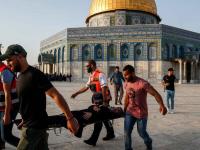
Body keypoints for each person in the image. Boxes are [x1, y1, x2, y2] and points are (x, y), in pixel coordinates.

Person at [0, 44, 79, 150]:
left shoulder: (35, 75)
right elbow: (28, 101)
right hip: (34, 126)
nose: (8, 63)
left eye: (10, 60)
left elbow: (55, 95)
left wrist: (70, 118)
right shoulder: (19, 76)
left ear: (19, 56)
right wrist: (24, 119)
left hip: (33, 130)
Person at [71, 59, 115, 146]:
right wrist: (76, 93)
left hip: (102, 100)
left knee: (97, 119)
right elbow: (86, 87)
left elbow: (104, 87)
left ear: (92, 65)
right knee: (104, 117)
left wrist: (105, 101)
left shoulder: (100, 74)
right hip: (96, 100)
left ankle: (93, 140)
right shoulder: (91, 76)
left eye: (87, 66)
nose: (86, 68)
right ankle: (111, 133)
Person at [123, 65, 167, 150]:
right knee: (126, 132)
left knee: (142, 133)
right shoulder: (126, 82)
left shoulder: (142, 83)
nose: (125, 77)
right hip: (130, 112)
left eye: (126, 75)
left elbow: (155, 93)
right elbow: (127, 96)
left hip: (141, 113)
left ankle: (148, 142)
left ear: (132, 73)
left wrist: (162, 105)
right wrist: (124, 109)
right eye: (124, 75)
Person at [0, 58, 20, 148]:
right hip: (2, 108)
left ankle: (31, 147)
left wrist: (7, 114)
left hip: (9, 108)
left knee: (6, 136)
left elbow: (7, 94)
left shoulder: (4, 71)